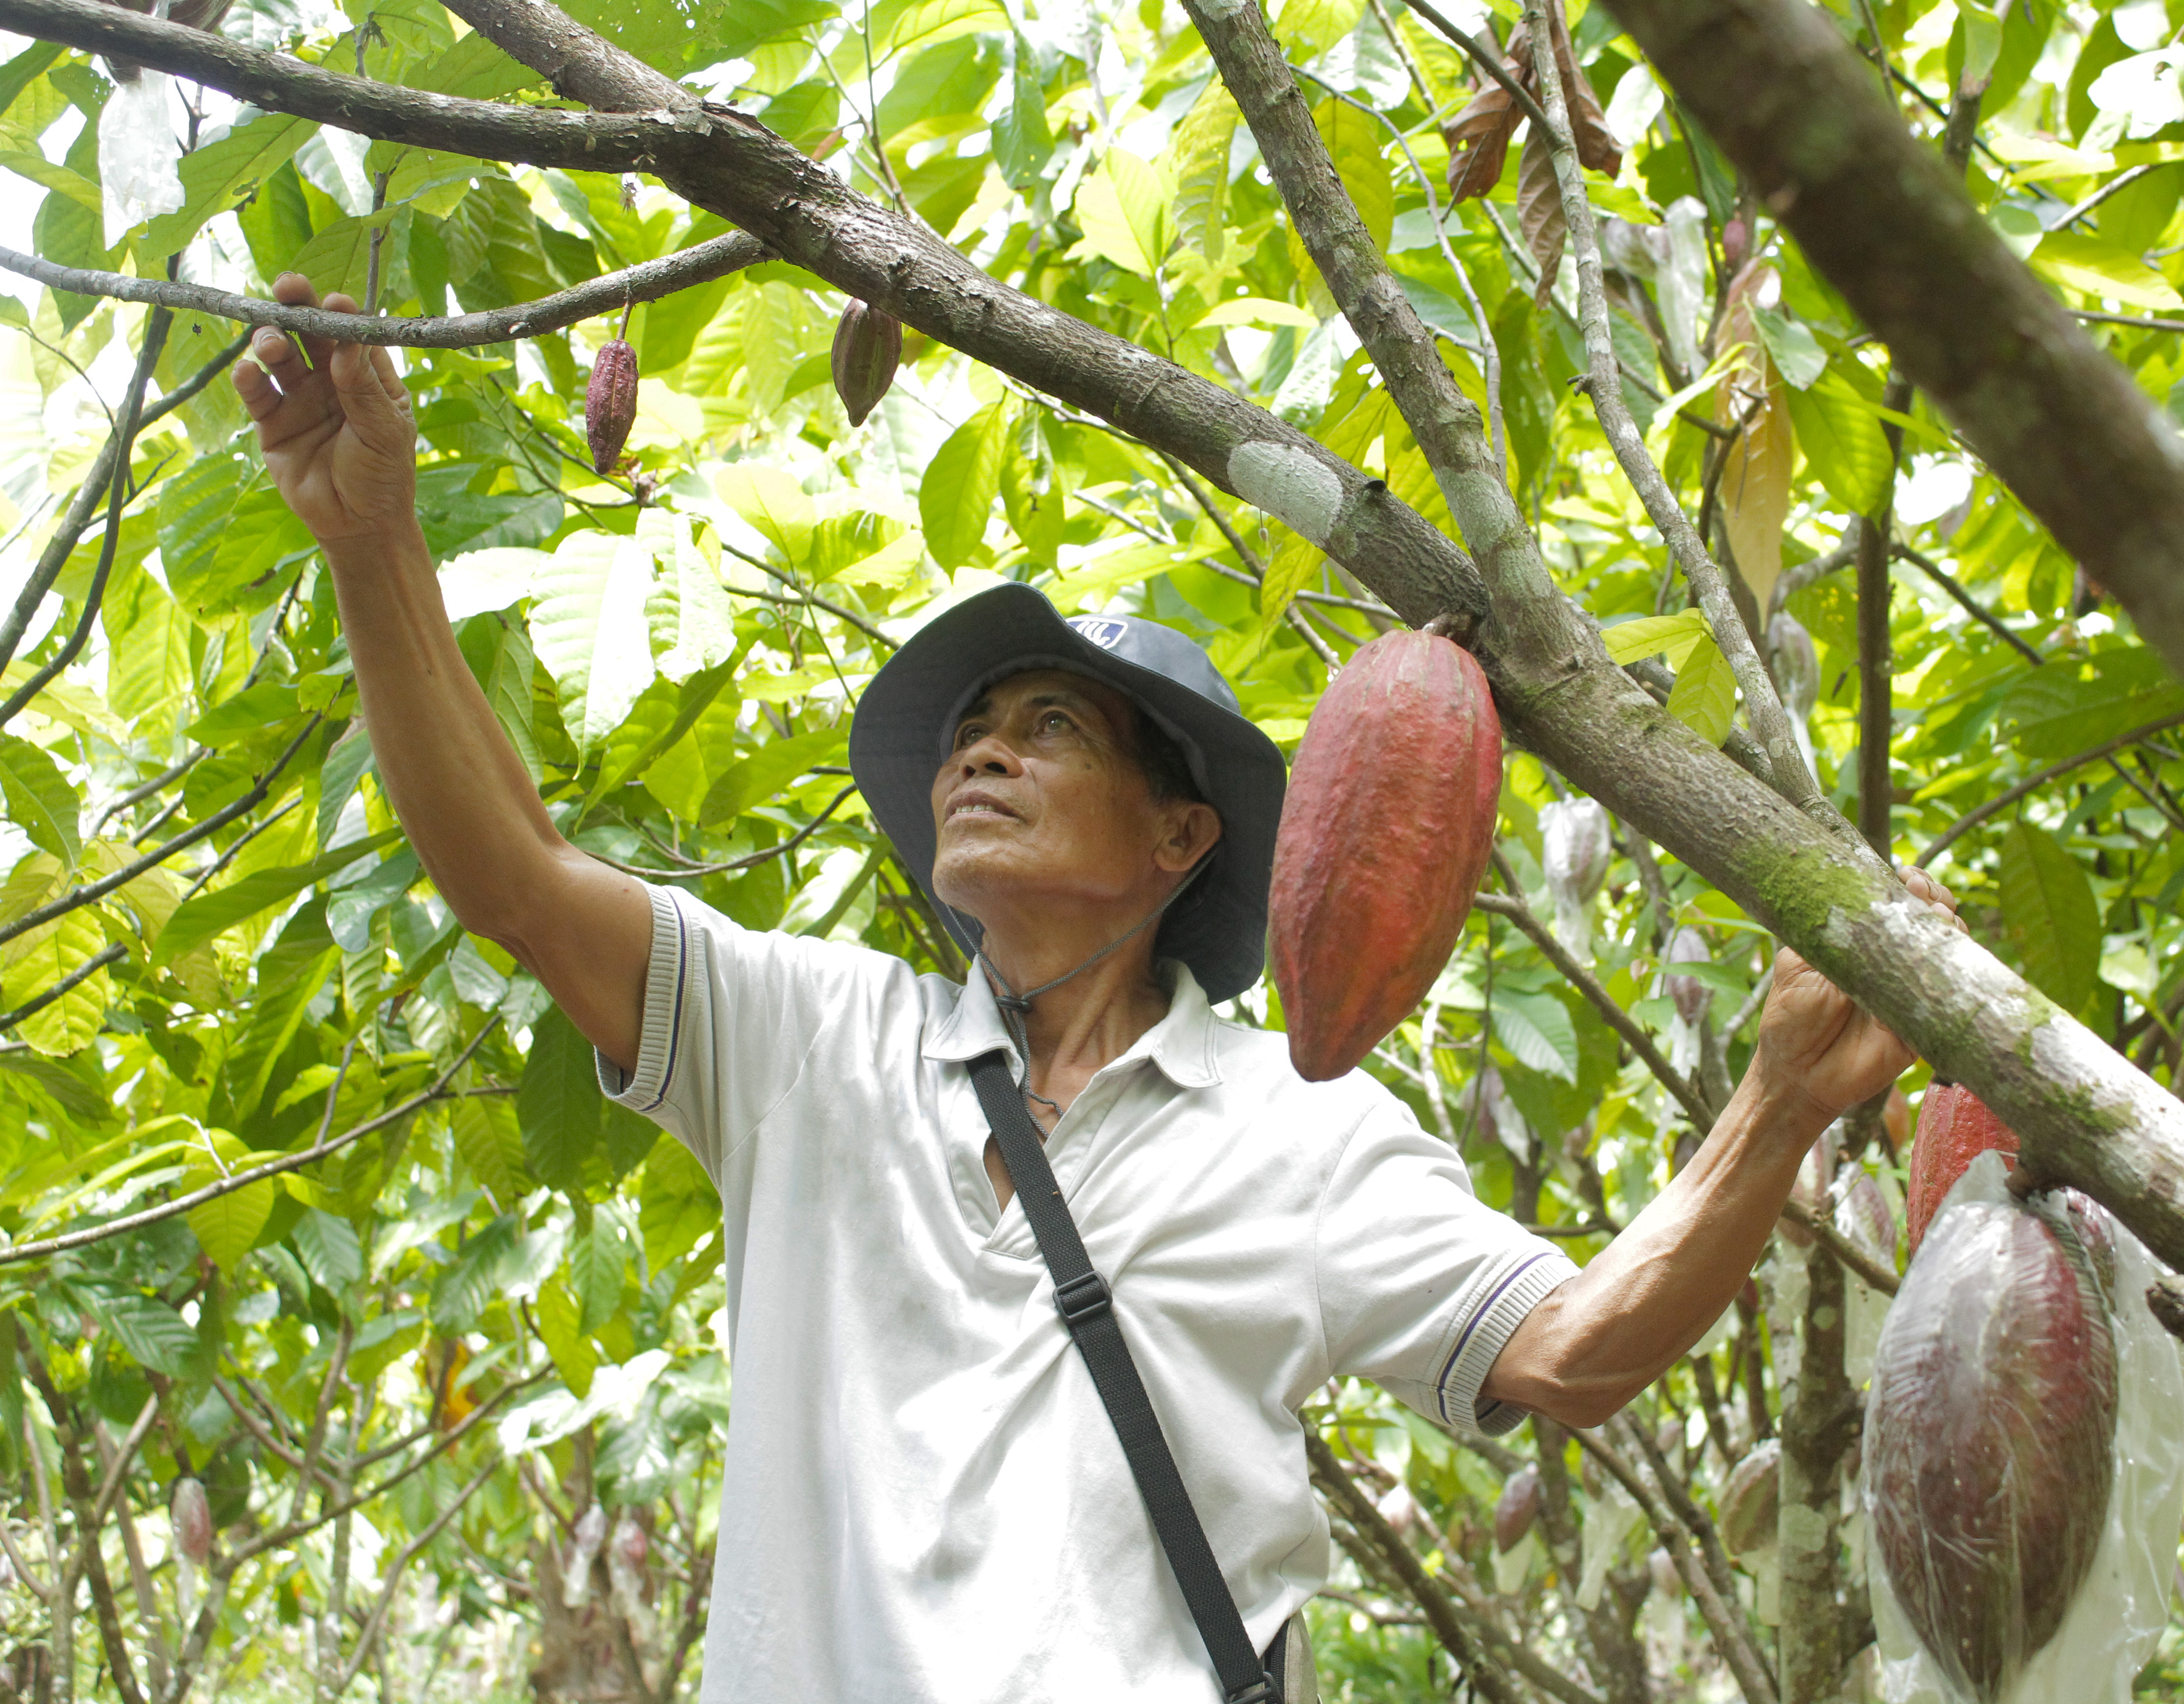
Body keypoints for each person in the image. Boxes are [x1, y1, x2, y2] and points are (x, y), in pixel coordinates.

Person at [233, 274, 1961, 1703]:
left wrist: (1783, 1095)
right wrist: (373, 543)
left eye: (1046, 727)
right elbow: (516, 886)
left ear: (1179, 835)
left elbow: (1577, 1353)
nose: (981, 757)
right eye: (968, 735)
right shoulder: (811, 1042)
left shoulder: (1304, 1136)